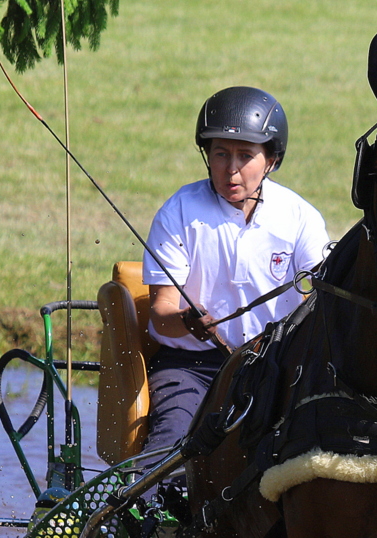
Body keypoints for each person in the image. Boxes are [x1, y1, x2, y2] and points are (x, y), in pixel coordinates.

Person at [138, 86, 330, 467]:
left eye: (245, 155)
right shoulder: (178, 212)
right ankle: (144, 500)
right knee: (172, 444)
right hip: (192, 369)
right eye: (221, 153)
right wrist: (186, 322)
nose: (231, 169)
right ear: (206, 155)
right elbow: (160, 313)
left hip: (277, 368)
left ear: (272, 159)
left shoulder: (299, 217)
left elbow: (321, 296)